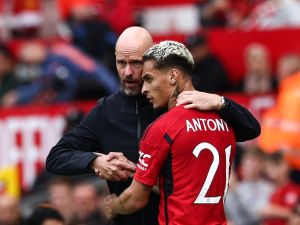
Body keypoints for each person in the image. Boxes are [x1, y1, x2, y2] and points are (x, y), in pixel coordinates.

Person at [46, 26, 261, 225]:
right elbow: (56, 157)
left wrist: (221, 102)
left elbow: (251, 129)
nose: (128, 72)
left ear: (152, 59)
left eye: (136, 63)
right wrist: (95, 160)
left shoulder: (186, 106)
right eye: (121, 63)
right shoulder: (106, 110)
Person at [103, 40, 237, 224]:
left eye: (149, 78)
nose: (144, 88)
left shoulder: (163, 128)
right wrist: (136, 170)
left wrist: (113, 206)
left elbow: (135, 200)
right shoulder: (225, 122)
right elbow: (185, 184)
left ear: (173, 77)